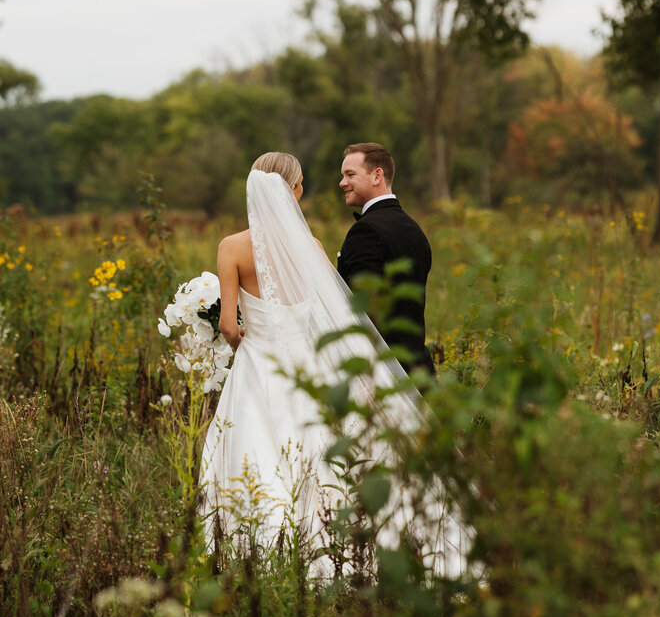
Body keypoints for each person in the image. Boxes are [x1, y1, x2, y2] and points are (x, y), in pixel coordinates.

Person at [200, 151, 471, 576]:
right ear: (292, 190)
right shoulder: (310, 248)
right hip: (306, 367)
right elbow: (334, 311)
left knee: (253, 450)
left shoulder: (231, 247)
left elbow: (229, 327)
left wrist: (240, 342)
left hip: (255, 366)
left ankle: (251, 547)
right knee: (315, 451)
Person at [338, 142, 436, 376]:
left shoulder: (367, 231)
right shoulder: (414, 229)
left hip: (384, 370)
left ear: (376, 175)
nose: (342, 183)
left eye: (350, 174)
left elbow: (361, 308)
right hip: (418, 366)